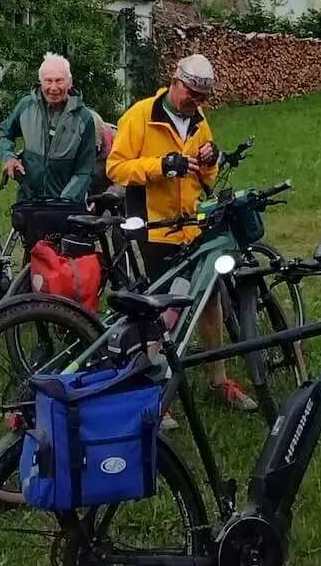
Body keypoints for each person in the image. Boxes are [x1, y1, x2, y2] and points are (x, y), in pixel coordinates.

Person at [106, 53, 258, 416]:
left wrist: (211, 159)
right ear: (175, 82)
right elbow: (116, 168)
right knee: (163, 308)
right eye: (192, 94)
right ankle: (153, 393)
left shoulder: (199, 120)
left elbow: (207, 177)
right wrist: (161, 166)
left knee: (209, 299)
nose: (196, 103)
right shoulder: (141, 115)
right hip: (155, 226)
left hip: (192, 224)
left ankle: (218, 380)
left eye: (203, 98)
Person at [0, 53, 97, 203]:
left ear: (70, 82)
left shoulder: (84, 118)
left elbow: (85, 170)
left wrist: (65, 201)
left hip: (66, 204)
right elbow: (5, 134)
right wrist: (8, 157)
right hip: (28, 199)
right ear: (41, 82)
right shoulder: (26, 106)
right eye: (48, 81)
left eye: (59, 81)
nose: (53, 88)